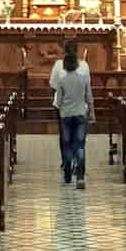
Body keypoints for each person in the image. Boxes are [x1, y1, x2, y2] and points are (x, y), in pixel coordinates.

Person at [49, 40, 93, 189]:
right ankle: (79, 174)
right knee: (80, 144)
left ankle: (67, 170)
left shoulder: (59, 69)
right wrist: (91, 111)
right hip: (81, 110)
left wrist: (59, 106)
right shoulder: (84, 68)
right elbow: (89, 94)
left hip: (65, 112)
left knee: (66, 141)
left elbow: (55, 90)